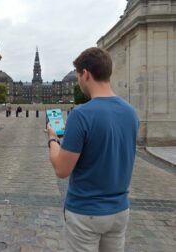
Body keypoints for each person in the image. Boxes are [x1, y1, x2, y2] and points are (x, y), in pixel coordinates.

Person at [47, 47, 139, 252]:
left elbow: (62, 170)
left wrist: (52, 140)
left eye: (78, 75)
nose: (79, 81)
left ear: (85, 74)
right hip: (119, 211)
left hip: (86, 213)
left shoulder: (81, 115)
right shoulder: (131, 112)